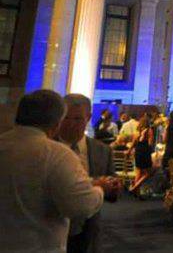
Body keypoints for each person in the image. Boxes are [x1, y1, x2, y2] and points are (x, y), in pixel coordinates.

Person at [0, 90, 112, 251]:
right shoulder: (57, 154)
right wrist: (99, 188)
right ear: (57, 122)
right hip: (39, 245)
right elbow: (80, 206)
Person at [59, 93, 117, 253]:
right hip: (52, 229)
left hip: (88, 230)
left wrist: (112, 186)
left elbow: (113, 189)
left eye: (77, 119)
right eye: (66, 118)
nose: (70, 124)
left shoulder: (102, 150)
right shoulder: (47, 148)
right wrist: (94, 184)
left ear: (88, 117)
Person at [129, 115, 155, 194]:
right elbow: (150, 143)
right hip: (145, 151)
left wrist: (129, 150)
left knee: (139, 171)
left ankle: (137, 192)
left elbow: (134, 142)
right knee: (149, 172)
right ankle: (135, 187)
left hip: (138, 150)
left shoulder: (138, 131)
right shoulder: (149, 130)